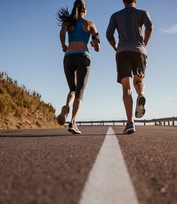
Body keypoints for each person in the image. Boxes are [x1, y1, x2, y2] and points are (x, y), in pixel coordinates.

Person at [106, 0, 153, 134]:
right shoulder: (143, 13)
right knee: (139, 81)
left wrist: (115, 46)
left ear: (123, 1)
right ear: (135, 0)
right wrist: (144, 43)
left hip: (123, 51)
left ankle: (130, 122)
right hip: (140, 51)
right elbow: (150, 27)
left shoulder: (116, 15)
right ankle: (141, 94)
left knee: (126, 88)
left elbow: (109, 34)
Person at [56, 0, 100, 134]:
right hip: (83, 57)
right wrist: (93, 44)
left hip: (68, 57)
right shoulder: (90, 24)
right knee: (79, 93)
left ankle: (66, 107)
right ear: (85, 10)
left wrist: (63, 46)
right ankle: (73, 122)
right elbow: (97, 47)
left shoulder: (68, 22)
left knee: (72, 89)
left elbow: (62, 33)